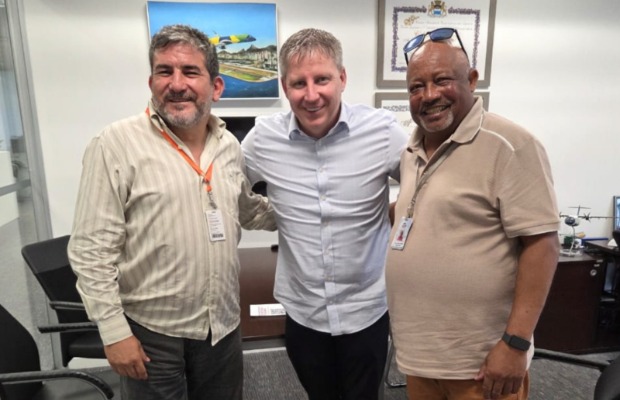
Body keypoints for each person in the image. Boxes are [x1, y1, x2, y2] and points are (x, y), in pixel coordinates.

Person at [67, 24, 275, 400]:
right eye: (165, 71)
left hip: (222, 326)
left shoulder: (229, 145)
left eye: (190, 72)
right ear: (152, 82)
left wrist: (309, 212)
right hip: (152, 334)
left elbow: (248, 210)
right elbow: (90, 250)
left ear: (216, 87)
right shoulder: (115, 144)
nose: (176, 84)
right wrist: (114, 332)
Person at [385, 28, 560, 400]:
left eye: (441, 80)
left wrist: (515, 343)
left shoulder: (510, 145)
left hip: (482, 365)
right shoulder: (410, 153)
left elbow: (542, 246)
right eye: (416, 87)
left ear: (472, 80)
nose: (429, 95)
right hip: (421, 358)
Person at [241, 28, 409, 400]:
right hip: (304, 311)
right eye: (298, 83)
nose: (311, 94)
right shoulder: (262, 140)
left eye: (322, 79)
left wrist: (395, 219)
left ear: (342, 78)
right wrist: (271, 217)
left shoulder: (382, 132)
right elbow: (226, 189)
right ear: (285, 87)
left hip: (366, 309)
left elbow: (429, 189)